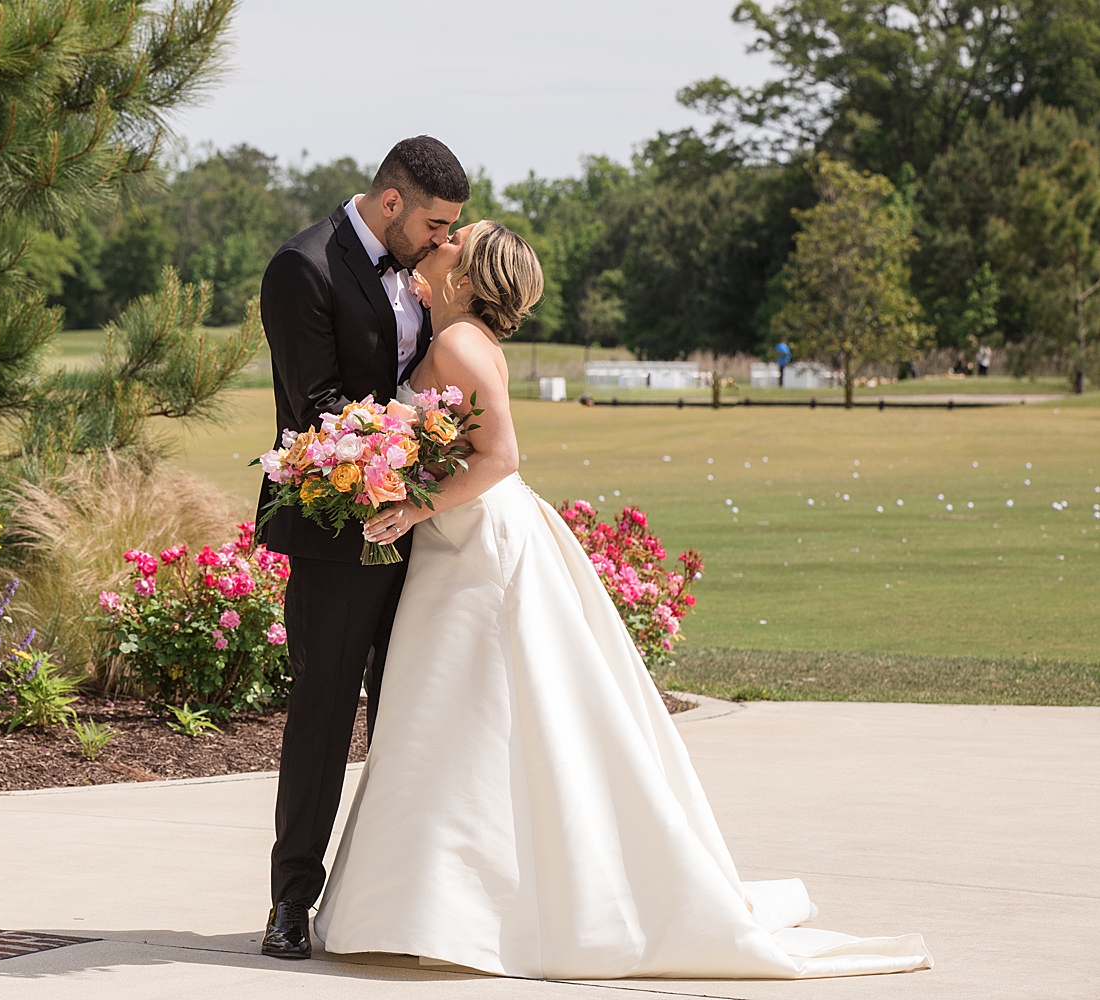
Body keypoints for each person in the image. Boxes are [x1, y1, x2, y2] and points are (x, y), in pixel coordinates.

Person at [315, 221, 934, 980]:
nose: (434, 242)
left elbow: (502, 458)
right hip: (468, 543)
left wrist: (411, 507)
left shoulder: (455, 346)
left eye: (452, 240)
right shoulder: (463, 339)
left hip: (475, 548)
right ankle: (447, 907)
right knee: (463, 720)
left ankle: (449, 910)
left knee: (456, 714)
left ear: (467, 274)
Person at [255, 136, 469, 960]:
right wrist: (420, 446)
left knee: (411, 713)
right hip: (334, 531)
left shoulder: (422, 272)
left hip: (422, 528)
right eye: (435, 222)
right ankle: (289, 903)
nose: (444, 239)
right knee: (322, 715)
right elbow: (318, 408)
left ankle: (399, 904)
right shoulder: (301, 267)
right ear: (391, 204)